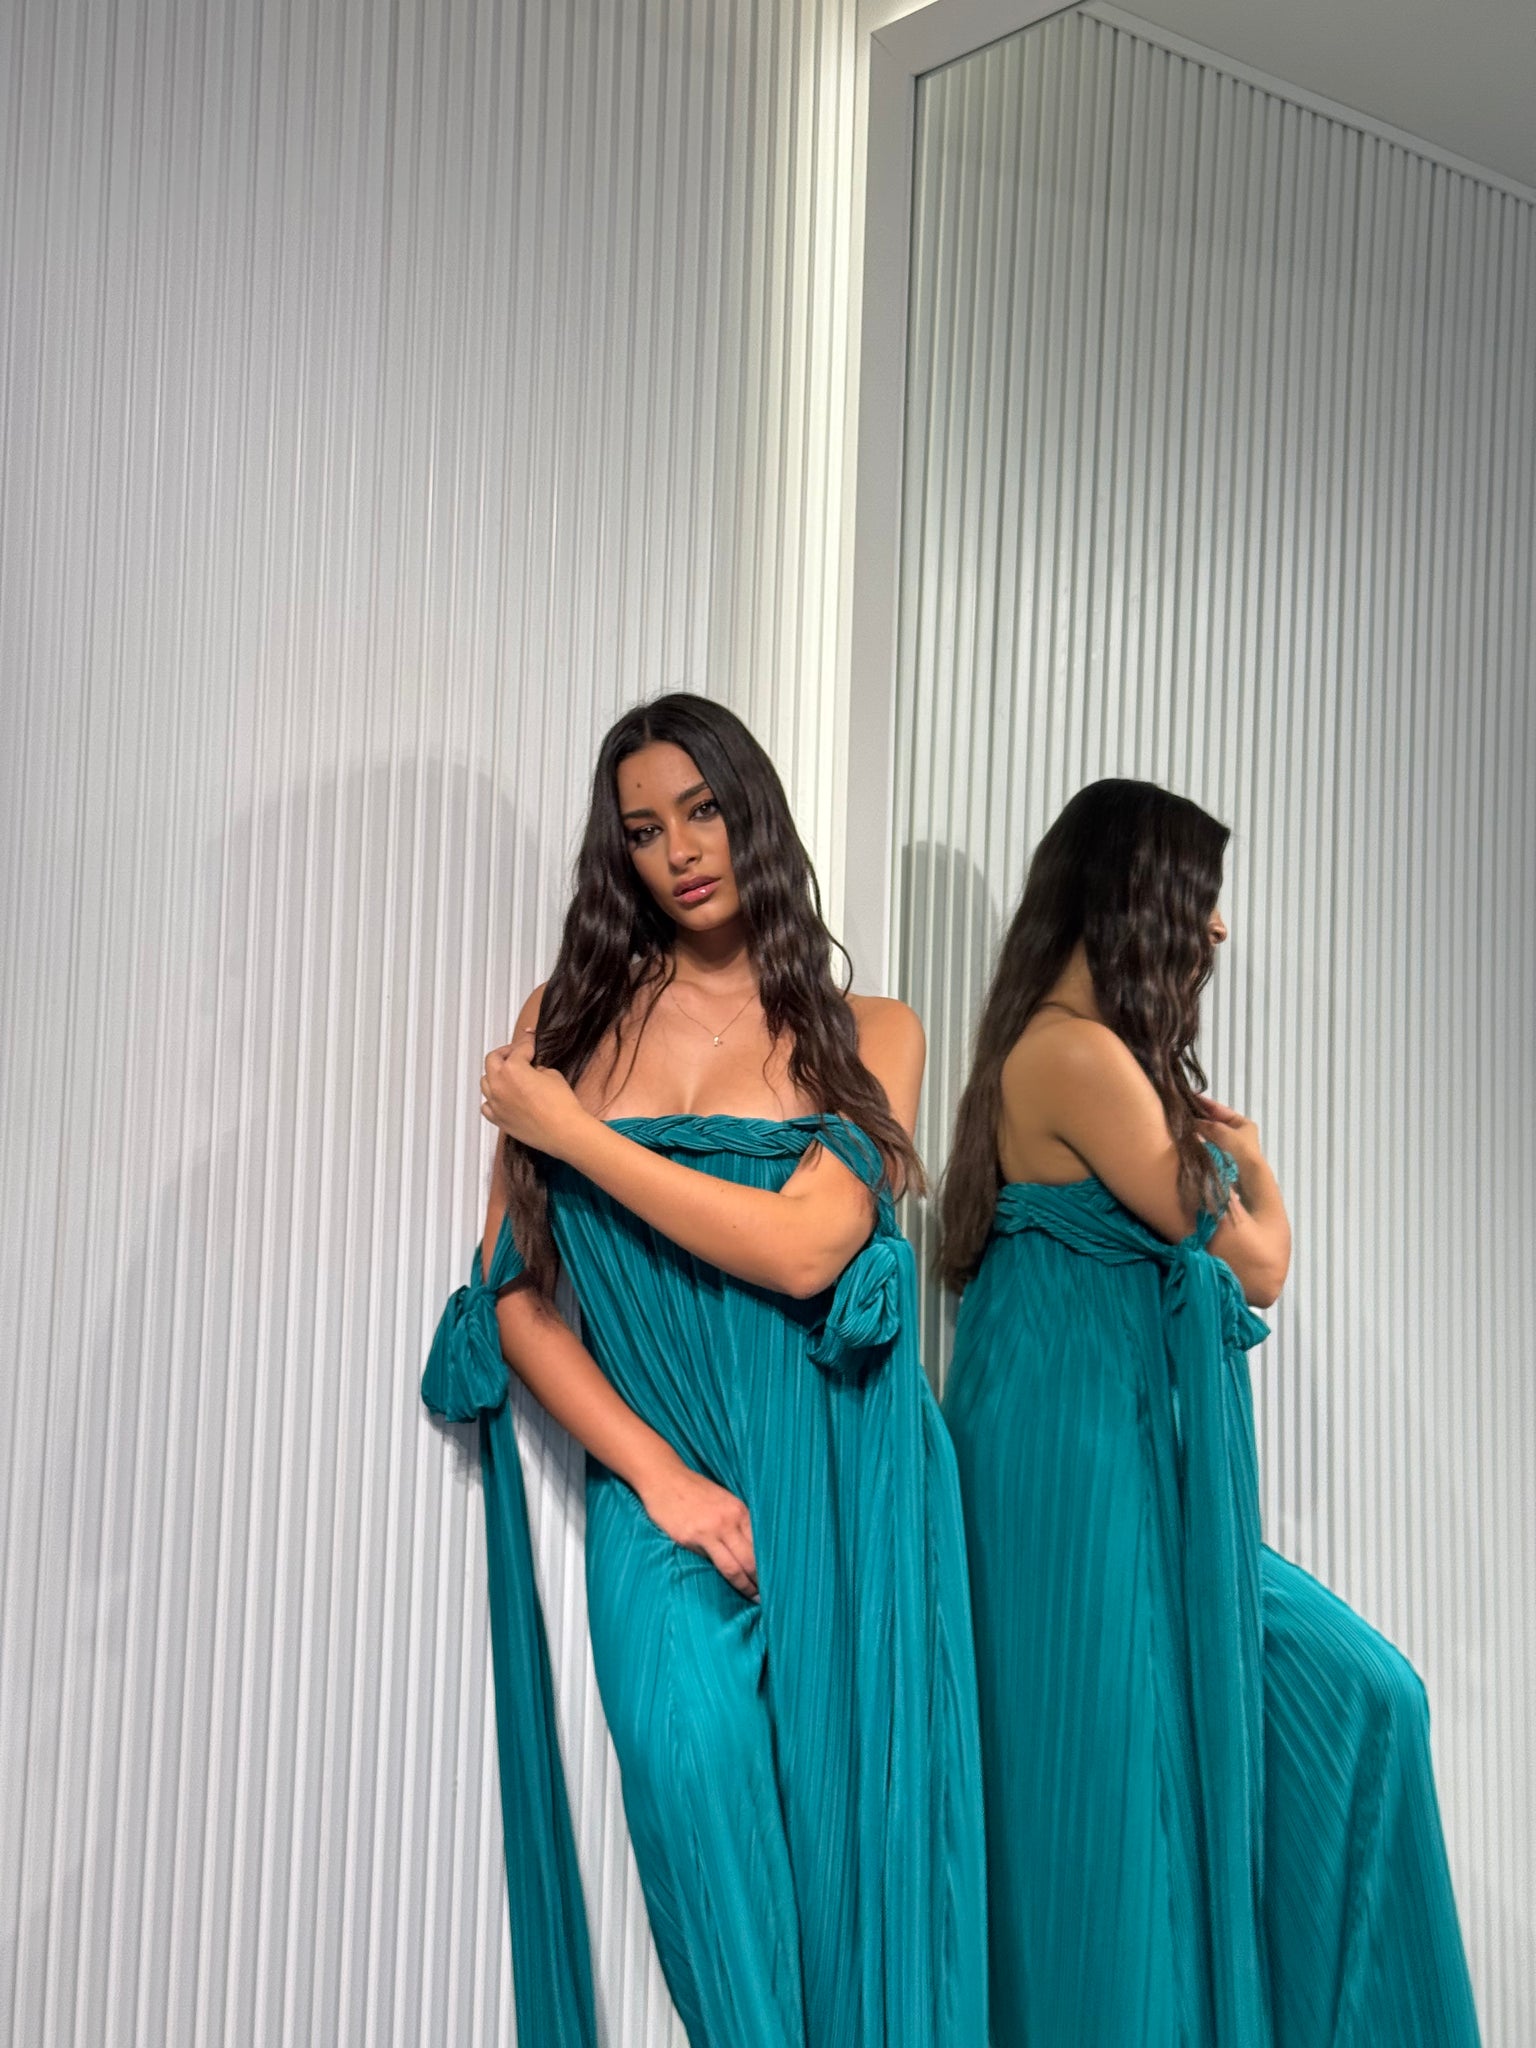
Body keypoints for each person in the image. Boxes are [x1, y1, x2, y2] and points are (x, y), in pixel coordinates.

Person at [422, 693, 986, 2048]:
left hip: (851, 1470)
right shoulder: (566, 1021)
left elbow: (805, 1249)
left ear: (754, 817)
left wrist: (578, 1135)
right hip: (662, 1482)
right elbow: (514, 1304)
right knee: (687, 1768)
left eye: (704, 810)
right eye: (643, 828)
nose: (679, 849)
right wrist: (660, 1481)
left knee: (866, 1874)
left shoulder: (872, 1030)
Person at [939, 778, 1479, 2047]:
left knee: (1363, 1696)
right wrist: (1262, 1167)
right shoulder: (1074, 1054)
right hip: (1073, 1471)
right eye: (1204, 896)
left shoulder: (1086, 1055)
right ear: (1136, 896)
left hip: (1105, 1453)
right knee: (1115, 1790)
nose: (1219, 928)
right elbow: (1254, 1259)